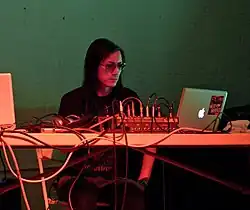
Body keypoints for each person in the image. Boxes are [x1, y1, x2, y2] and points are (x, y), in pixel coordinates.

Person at [56, 38, 156, 210]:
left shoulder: (129, 99)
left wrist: (144, 179)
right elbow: (63, 148)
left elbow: (151, 140)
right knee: (85, 194)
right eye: (109, 66)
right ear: (93, 66)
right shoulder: (72, 100)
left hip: (117, 178)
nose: (116, 71)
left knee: (133, 194)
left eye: (120, 65)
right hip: (78, 177)